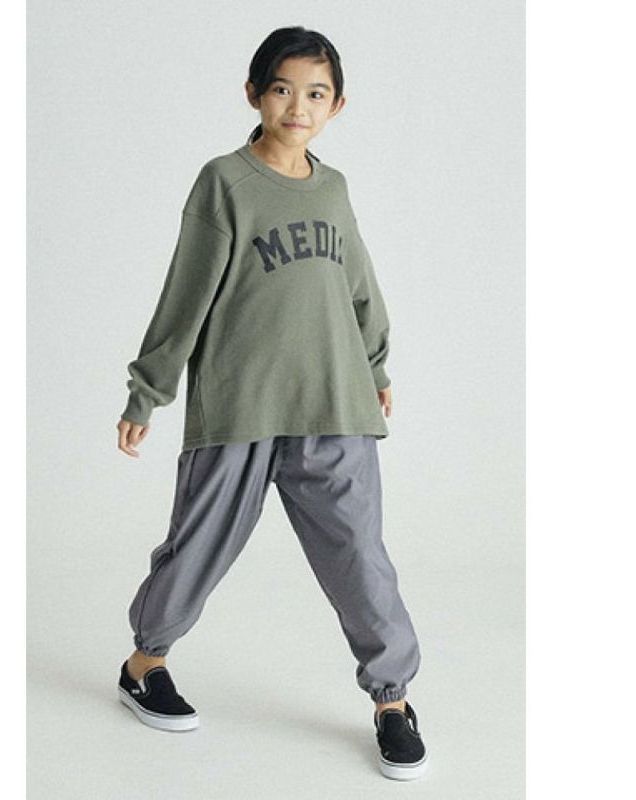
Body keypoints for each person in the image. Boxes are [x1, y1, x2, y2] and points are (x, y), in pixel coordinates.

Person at [114, 26, 428, 781]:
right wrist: (148, 392)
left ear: (337, 105)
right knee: (199, 545)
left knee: (360, 557)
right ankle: (144, 663)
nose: (298, 106)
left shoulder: (334, 187)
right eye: (283, 89)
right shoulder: (224, 182)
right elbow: (185, 294)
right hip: (241, 403)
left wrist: (375, 362)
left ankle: (392, 700)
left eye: (316, 93)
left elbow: (358, 283)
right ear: (254, 94)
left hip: (335, 402)